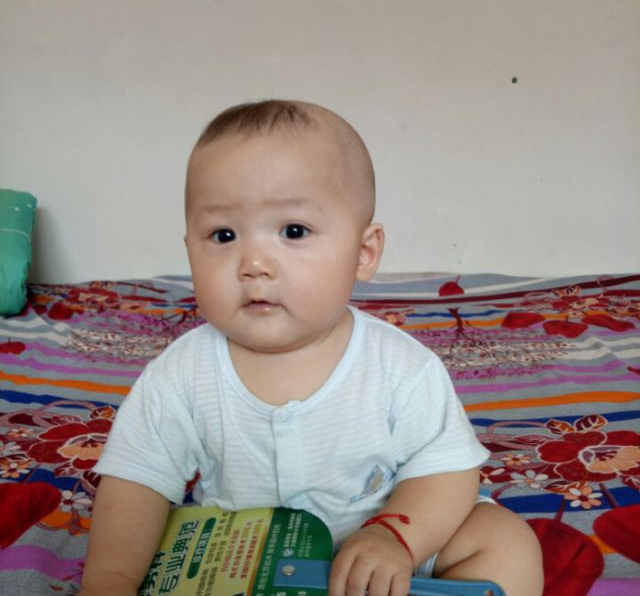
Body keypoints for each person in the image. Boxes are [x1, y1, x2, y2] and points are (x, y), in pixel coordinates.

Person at [80, 100, 543, 596]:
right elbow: (136, 482)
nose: (253, 263)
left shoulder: (400, 367)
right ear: (189, 248)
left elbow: (447, 471)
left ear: (363, 253)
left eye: (293, 231)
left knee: (505, 543)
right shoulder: (181, 373)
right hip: (242, 565)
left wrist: (395, 538)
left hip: (386, 555)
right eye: (223, 235)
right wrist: (111, 579)